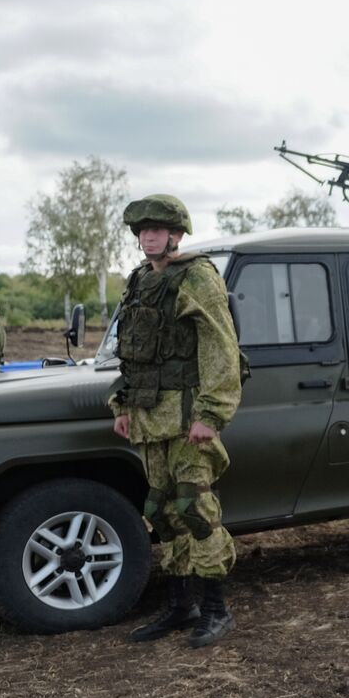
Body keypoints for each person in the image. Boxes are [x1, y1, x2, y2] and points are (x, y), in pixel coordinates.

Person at [108, 193, 243, 648]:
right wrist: (122, 405)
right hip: (149, 419)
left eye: (158, 229)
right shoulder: (140, 281)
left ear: (177, 234)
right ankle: (180, 604)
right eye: (143, 230)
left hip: (187, 420)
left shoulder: (197, 277)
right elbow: (130, 352)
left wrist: (212, 413)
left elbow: (220, 347)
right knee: (162, 511)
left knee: (195, 508)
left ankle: (217, 609)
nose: (149, 236)